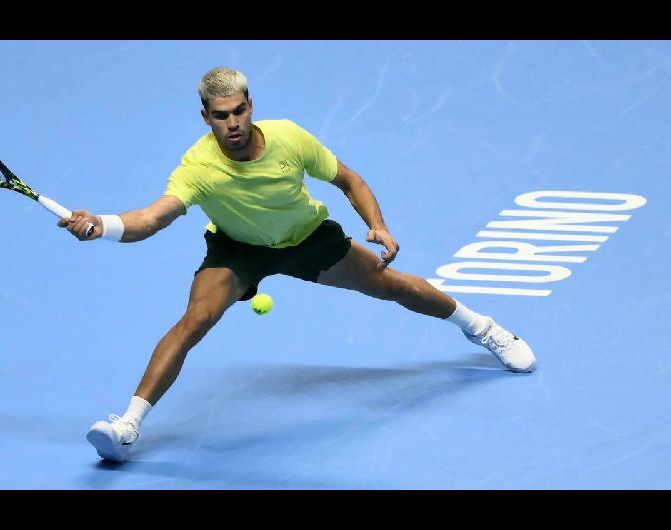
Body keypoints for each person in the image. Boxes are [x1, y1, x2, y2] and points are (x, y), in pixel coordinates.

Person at [59, 67, 536, 463]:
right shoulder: (198, 168)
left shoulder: (288, 138)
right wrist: (103, 224)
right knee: (195, 321)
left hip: (306, 239)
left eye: (239, 111)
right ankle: (127, 426)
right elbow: (152, 218)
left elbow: (348, 180)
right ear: (205, 117)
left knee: (392, 286)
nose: (232, 123)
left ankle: (482, 327)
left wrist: (378, 226)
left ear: (251, 105)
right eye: (221, 116)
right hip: (238, 249)